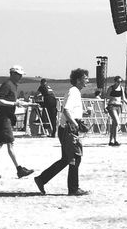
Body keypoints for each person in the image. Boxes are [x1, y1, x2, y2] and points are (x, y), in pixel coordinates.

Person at [35, 68, 89, 196]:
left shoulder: (75, 92)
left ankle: (42, 179)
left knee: (66, 159)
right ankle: (73, 188)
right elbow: (66, 110)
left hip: (66, 128)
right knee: (75, 157)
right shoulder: (74, 92)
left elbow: (70, 110)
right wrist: (75, 124)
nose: (87, 80)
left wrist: (84, 113)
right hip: (68, 129)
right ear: (78, 80)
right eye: (85, 78)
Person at [0, 65, 34, 181]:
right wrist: (15, 104)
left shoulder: (13, 85)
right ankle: (19, 170)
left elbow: (10, 101)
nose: (21, 77)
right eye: (19, 74)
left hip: (3, 117)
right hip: (3, 117)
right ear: (13, 74)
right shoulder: (7, 85)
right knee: (10, 143)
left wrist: (27, 104)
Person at [106, 79, 125, 146]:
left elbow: (123, 98)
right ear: (115, 81)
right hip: (112, 106)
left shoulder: (121, 88)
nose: (119, 83)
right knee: (117, 122)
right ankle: (115, 140)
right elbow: (106, 97)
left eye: (120, 82)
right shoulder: (111, 88)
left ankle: (111, 140)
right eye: (118, 81)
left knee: (114, 124)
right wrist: (104, 106)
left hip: (118, 106)